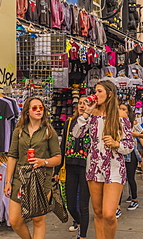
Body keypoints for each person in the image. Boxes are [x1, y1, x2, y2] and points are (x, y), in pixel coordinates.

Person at [72, 80, 134, 239]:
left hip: (114, 166)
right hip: (94, 165)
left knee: (109, 214)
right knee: (98, 212)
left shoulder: (120, 115)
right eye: (95, 91)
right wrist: (86, 113)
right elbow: (76, 134)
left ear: (110, 94)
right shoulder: (91, 114)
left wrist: (116, 144)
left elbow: (129, 144)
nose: (96, 94)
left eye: (99, 91)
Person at [4, 97, 61, 239]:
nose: (38, 110)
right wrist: (8, 181)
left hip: (41, 180)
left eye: (41, 107)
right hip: (20, 180)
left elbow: (58, 158)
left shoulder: (49, 132)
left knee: (38, 219)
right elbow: (12, 156)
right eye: (34, 108)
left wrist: (44, 162)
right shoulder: (19, 130)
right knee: (15, 221)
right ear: (27, 112)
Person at [54, 96, 91, 239]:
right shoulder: (69, 122)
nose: (82, 106)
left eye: (86, 103)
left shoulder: (92, 122)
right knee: (70, 204)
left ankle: (83, 235)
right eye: (80, 103)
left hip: (85, 167)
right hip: (69, 165)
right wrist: (57, 170)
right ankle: (81, 223)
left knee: (83, 204)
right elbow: (63, 146)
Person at [119, 103, 143, 214]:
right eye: (120, 109)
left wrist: (136, 134)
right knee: (119, 179)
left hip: (130, 153)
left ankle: (134, 199)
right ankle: (117, 205)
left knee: (130, 177)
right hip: (118, 154)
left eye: (124, 109)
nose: (121, 111)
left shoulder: (133, 123)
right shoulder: (115, 122)